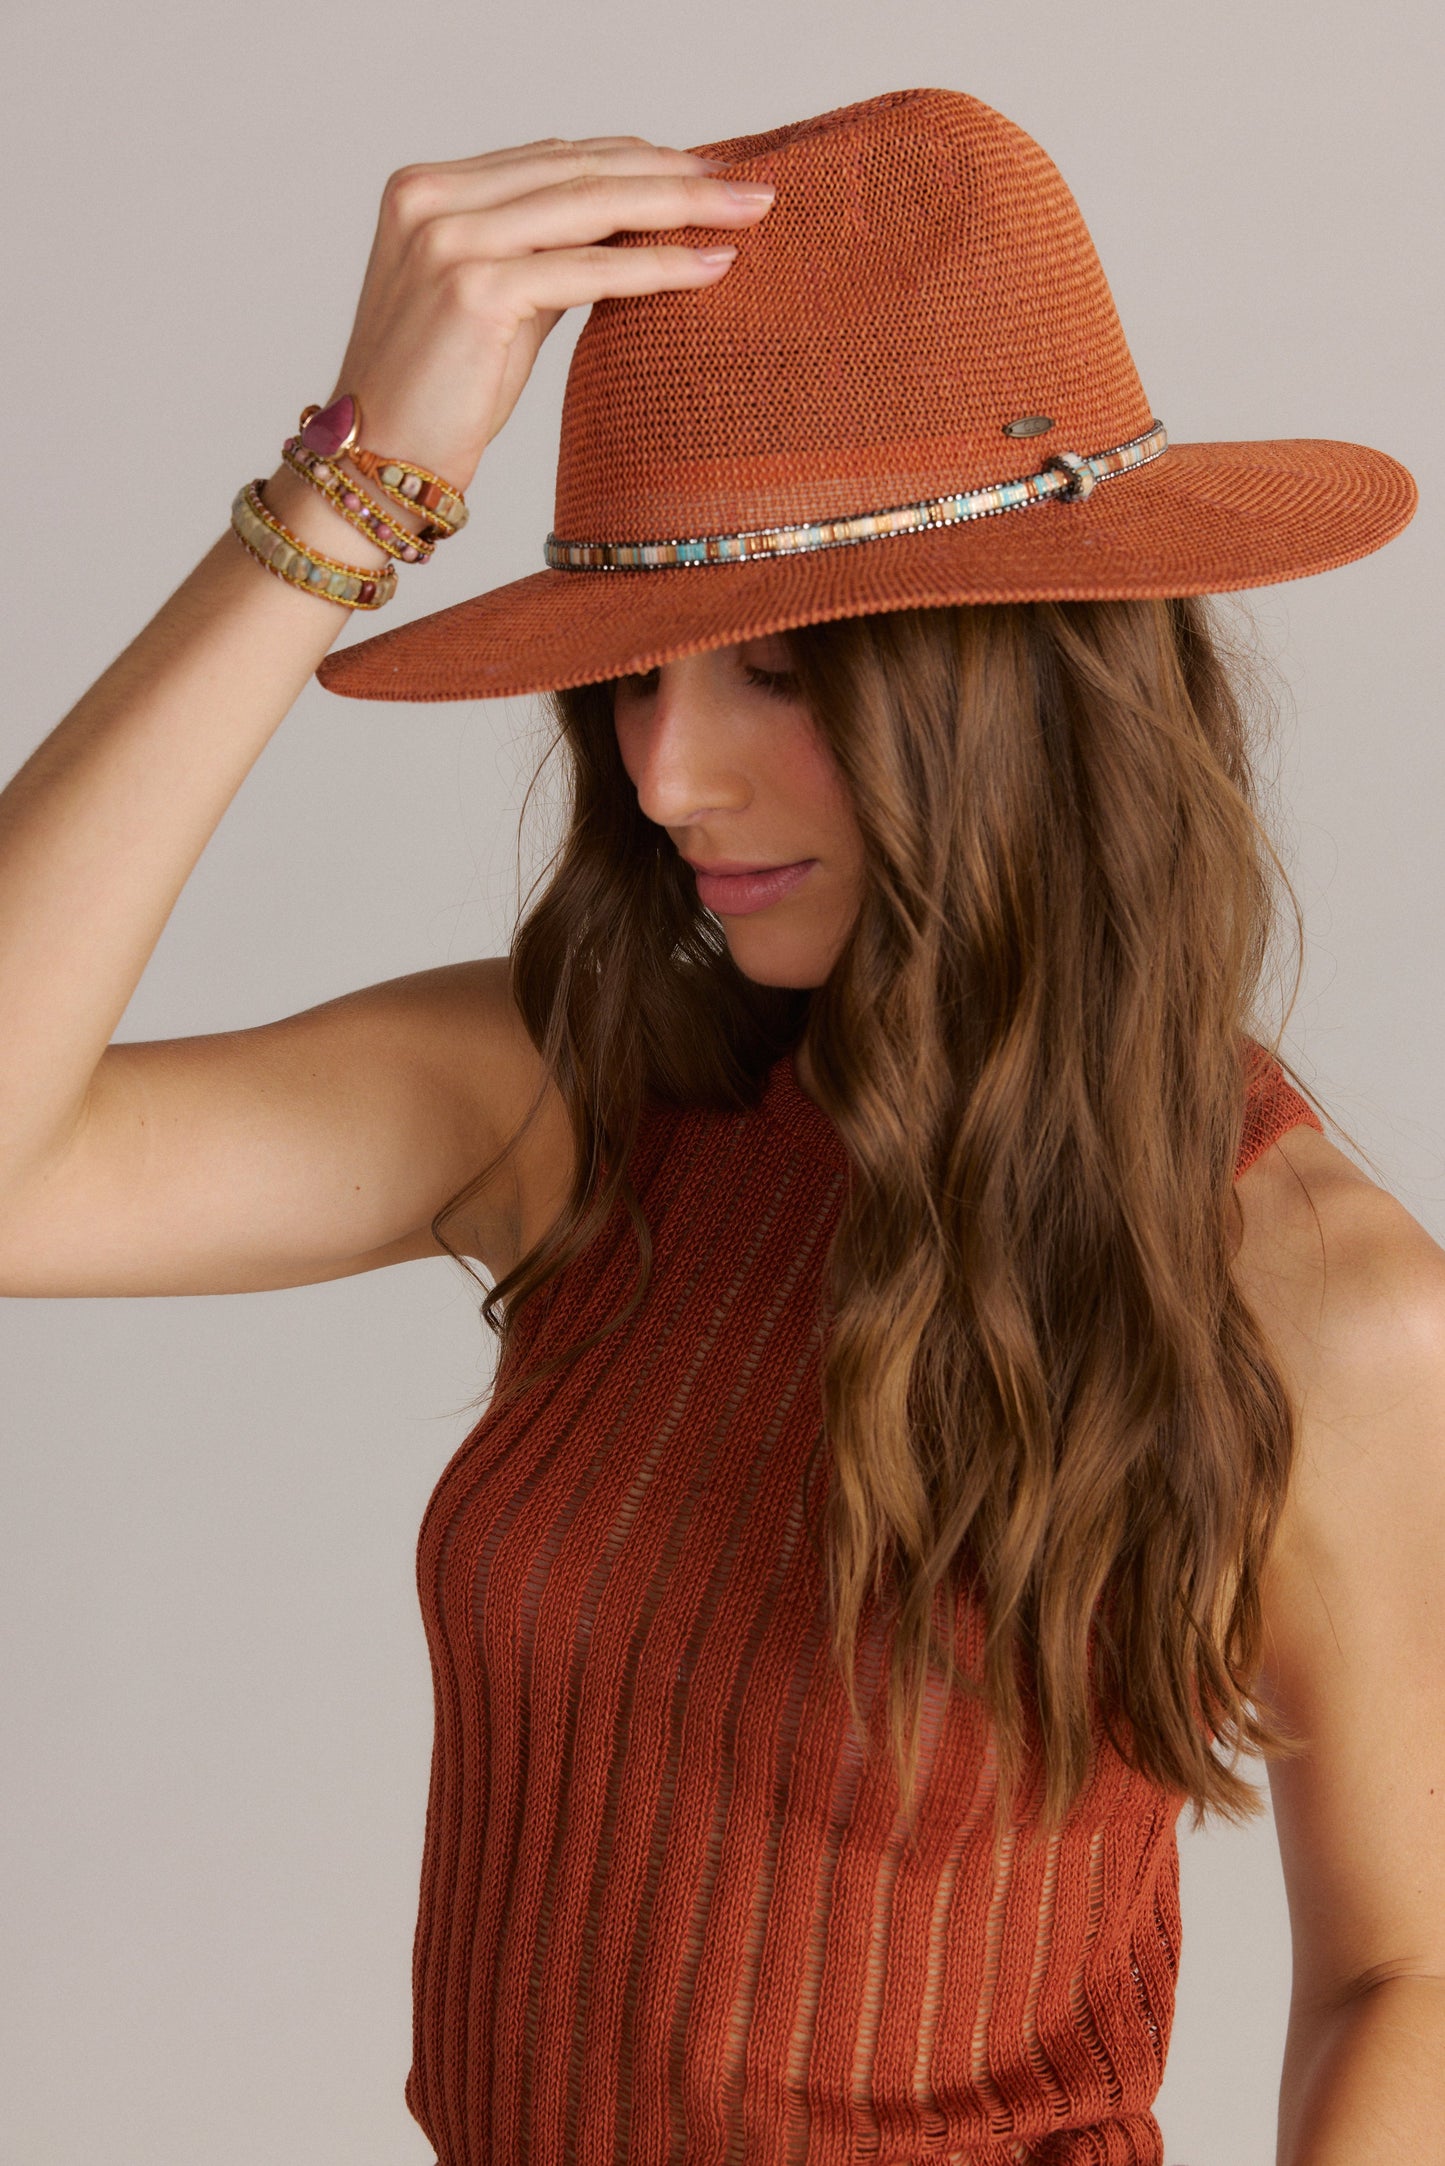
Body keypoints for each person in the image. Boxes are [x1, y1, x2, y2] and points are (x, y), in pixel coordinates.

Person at [1, 83, 1441, 2166]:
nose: (667, 776)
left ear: (1014, 685)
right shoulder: (592, 1101)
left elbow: (1417, 1969)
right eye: (637, 675)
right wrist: (356, 489)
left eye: (770, 671)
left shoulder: (1311, 1293)